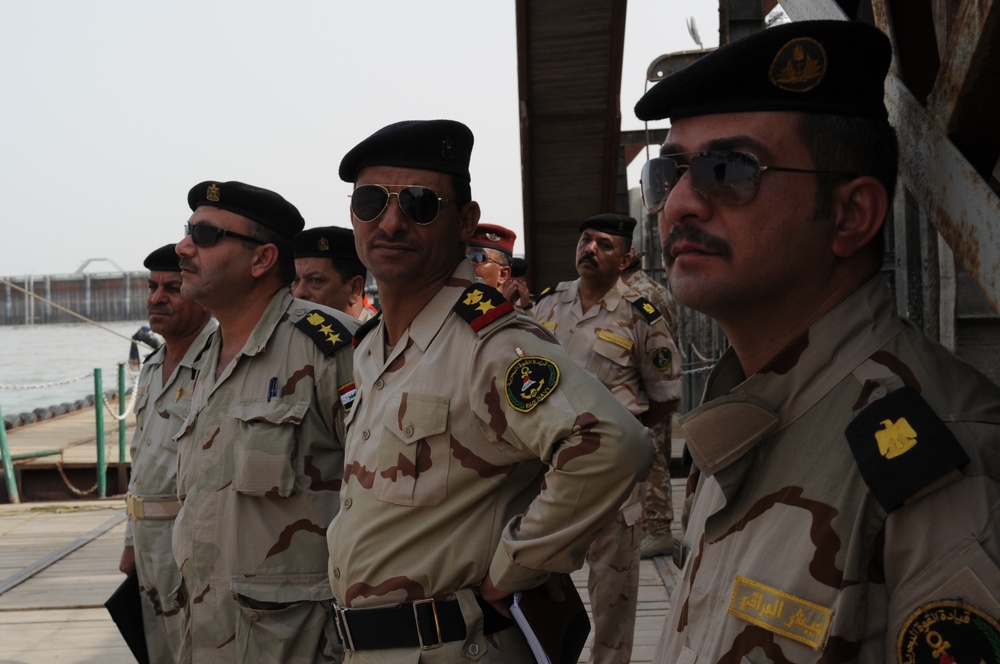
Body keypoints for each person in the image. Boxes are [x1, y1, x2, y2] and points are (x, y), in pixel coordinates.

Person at [633, 19, 1000, 662]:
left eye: (728, 169)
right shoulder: (745, 419)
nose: (681, 204)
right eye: (671, 174)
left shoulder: (939, 464)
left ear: (851, 214)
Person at [326, 119, 652, 662]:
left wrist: (513, 569)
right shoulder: (372, 347)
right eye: (370, 203)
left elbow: (615, 446)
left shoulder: (490, 344)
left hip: (453, 645)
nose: (391, 222)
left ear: (464, 221)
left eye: (419, 204)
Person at [173, 180, 359, 663]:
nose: (184, 247)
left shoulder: (331, 347)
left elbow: (390, 492)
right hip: (208, 629)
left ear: (261, 260)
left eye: (207, 236)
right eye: (187, 231)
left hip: (297, 639)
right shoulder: (203, 356)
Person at [531, 213, 681, 664]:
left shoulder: (641, 315)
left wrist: (620, 432)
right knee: (537, 582)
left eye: (603, 244)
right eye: (585, 240)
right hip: (551, 473)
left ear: (626, 258)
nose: (590, 249)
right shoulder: (547, 307)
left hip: (615, 479)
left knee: (613, 593)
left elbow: (664, 397)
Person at [119, 243, 215, 664]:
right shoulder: (155, 364)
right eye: (152, 286)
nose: (157, 298)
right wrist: (128, 540)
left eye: (172, 287)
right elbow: (142, 460)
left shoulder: (222, 360)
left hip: (193, 543)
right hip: (147, 544)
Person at [621, 254, 679, 558]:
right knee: (648, 457)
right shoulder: (648, 288)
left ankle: (658, 530)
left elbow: (654, 344)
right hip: (646, 386)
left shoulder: (642, 294)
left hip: (645, 387)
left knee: (651, 457)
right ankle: (644, 525)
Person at [293, 225, 378, 321]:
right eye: (296, 280)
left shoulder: (383, 335)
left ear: (355, 289)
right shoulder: (290, 333)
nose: (298, 293)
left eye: (315, 280)